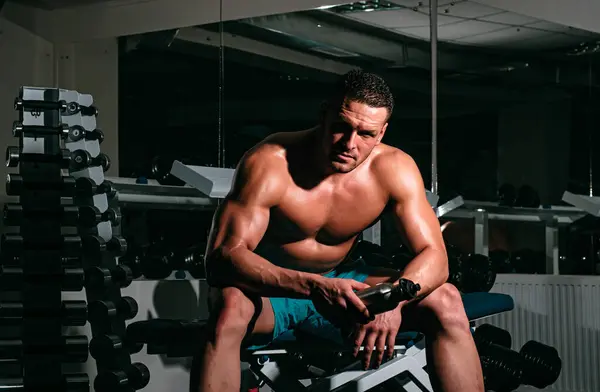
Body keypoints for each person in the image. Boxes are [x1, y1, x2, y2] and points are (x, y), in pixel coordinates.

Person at [192, 69, 484, 392]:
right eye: (342, 127)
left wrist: (394, 302)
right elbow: (222, 258)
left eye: (366, 134)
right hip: (272, 292)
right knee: (229, 309)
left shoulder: (394, 170)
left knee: (447, 300)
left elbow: (436, 259)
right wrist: (311, 287)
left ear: (383, 132)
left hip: (343, 286)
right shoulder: (270, 162)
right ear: (324, 114)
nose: (350, 144)